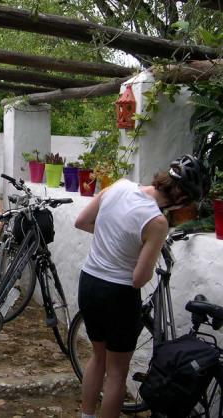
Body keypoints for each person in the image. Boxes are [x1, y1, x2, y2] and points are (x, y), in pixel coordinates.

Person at [73, 154, 210, 418]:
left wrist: (115, 239)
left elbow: (82, 221)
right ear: (181, 198)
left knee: (97, 357)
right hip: (119, 294)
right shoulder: (157, 222)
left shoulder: (119, 186)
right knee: (116, 373)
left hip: (89, 282)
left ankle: (86, 415)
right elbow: (139, 278)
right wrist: (139, 249)